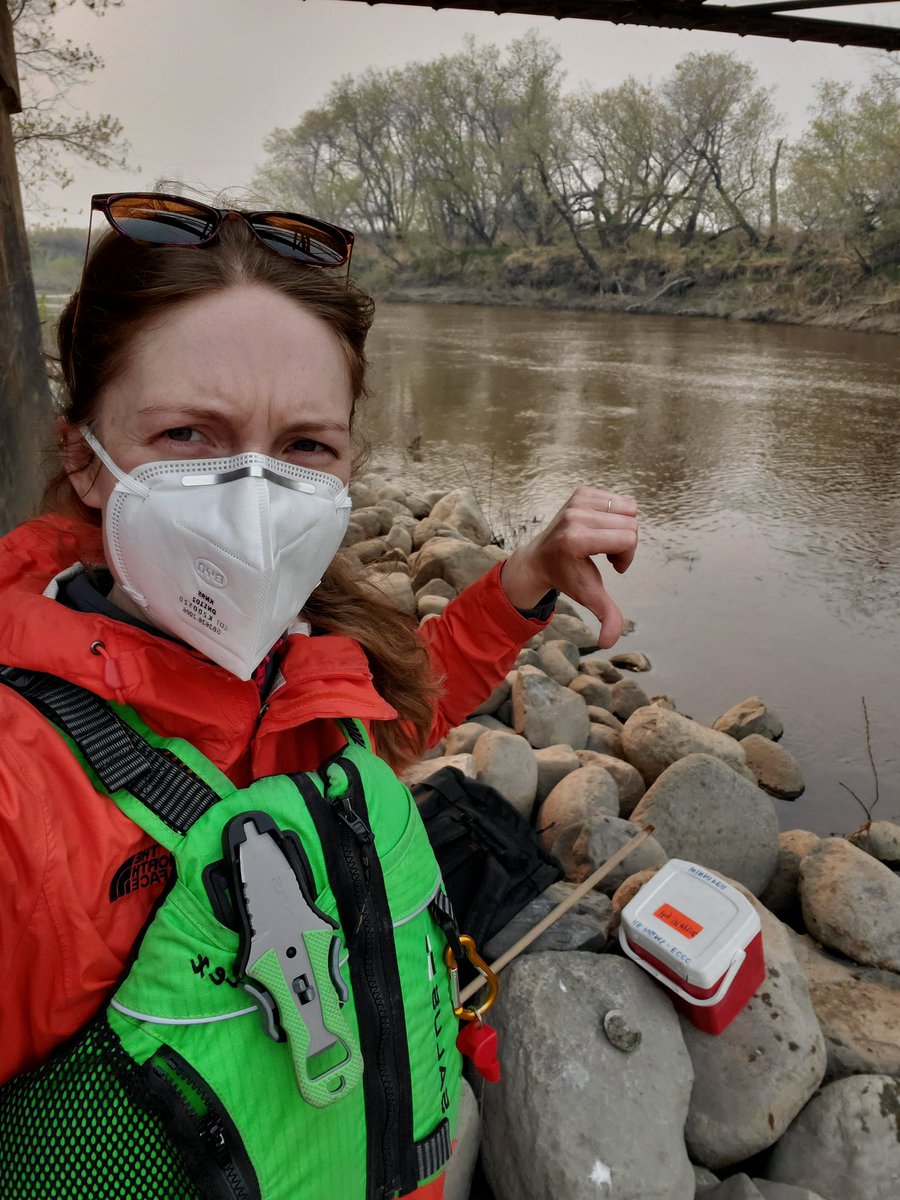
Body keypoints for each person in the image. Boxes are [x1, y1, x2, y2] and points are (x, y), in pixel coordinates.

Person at [0, 192, 638, 1197]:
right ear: (84, 455)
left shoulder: (298, 669)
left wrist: (525, 579)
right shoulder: (17, 793)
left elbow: (392, 720)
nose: (251, 504)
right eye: (188, 435)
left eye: (304, 447)